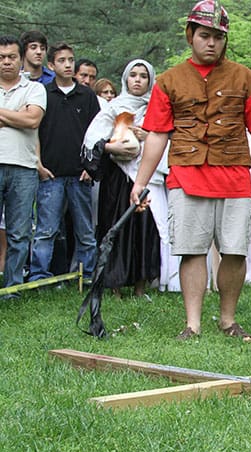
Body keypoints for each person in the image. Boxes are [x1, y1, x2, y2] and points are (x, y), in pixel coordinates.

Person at [129, 0, 251, 341]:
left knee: (235, 250)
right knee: (192, 249)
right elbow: (157, 135)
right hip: (186, 175)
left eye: (218, 36)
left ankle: (228, 320)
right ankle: (193, 324)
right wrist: (140, 182)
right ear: (190, 36)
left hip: (234, 175)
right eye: (204, 35)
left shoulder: (245, 78)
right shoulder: (169, 81)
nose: (211, 43)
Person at [82, 59, 163, 297]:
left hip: (145, 177)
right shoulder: (113, 107)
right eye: (133, 75)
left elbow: (166, 139)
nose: (138, 80)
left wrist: (146, 136)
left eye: (143, 76)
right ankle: (114, 285)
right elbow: (92, 140)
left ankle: (140, 286)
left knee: (144, 229)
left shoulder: (156, 108)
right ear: (126, 78)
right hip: (117, 179)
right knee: (115, 226)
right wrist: (111, 146)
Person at [30, 42, 100, 284]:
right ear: (51, 65)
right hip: (50, 174)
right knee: (46, 231)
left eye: (71, 60)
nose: (68, 65)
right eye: (62, 61)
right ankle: (40, 276)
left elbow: (98, 134)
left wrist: (91, 168)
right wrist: (39, 165)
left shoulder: (87, 95)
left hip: (80, 175)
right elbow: (34, 132)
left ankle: (87, 276)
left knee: (85, 231)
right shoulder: (42, 93)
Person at [0, 35, 47, 294]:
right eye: (1, 57)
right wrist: (17, 115)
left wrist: (10, 117)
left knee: (19, 232)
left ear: (20, 60)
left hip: (24, 168)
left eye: (11, 57)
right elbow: (25, 117)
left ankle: (12, 288)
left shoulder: (34, 89)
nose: (6, 62)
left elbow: (32, 120)